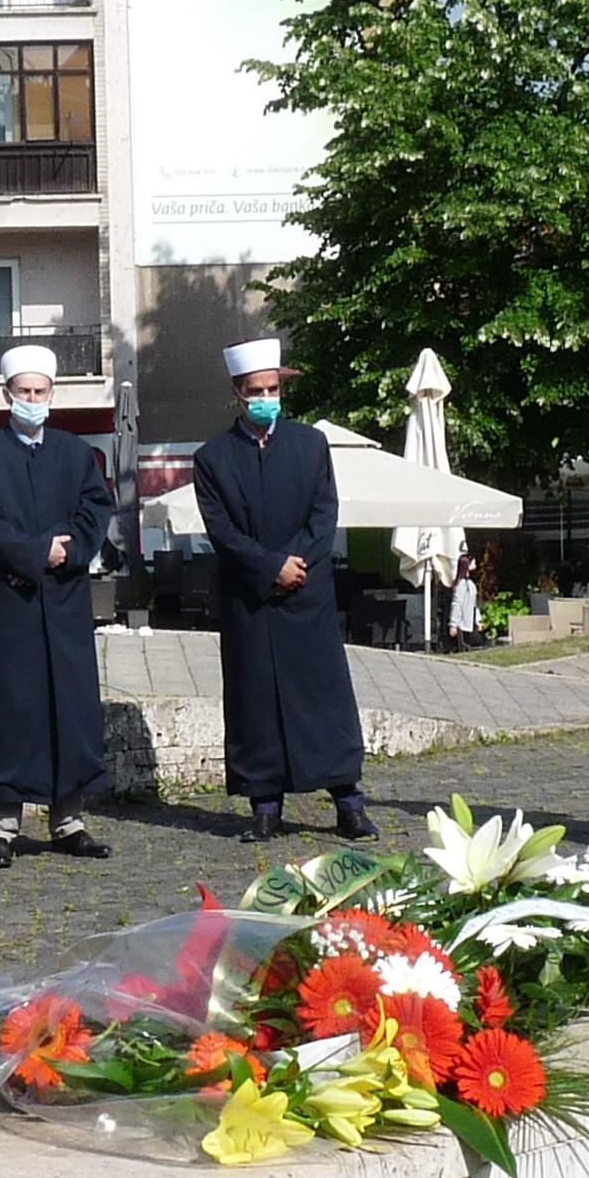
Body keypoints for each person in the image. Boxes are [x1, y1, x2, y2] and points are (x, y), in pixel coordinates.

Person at [190, 336, 374, 844]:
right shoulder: (212, 458)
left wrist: (300, 564)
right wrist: (270, 566)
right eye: (256, 390)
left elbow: (324, 513)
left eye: (273, 388)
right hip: (251, 597)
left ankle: (349, 803)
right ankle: (264, 805)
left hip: (307, 593)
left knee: (324, 700)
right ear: (237, 393)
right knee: (256, 703)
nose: (266, 397)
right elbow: (221, 530)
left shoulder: (310, 444)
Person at [0, 344, 115, 867]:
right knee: (6, 711)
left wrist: (66, 550)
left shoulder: (75, 454)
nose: (32, 399)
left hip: (63, 601)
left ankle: (68, 820)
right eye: (23, 392)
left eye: (40, 391)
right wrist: (34, 552)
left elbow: (96, 508)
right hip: (5, 605)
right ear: (7, 394)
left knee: (67, 710)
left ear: (53, 393)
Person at [448, 556, 482, 651]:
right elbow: (457, 604)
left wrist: (477, 619)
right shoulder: (461, 585)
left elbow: (474, 604)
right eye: (473, 563)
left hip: (469, 622)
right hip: (462, 625)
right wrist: (453, 625)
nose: (475, 565)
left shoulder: (470, 584)